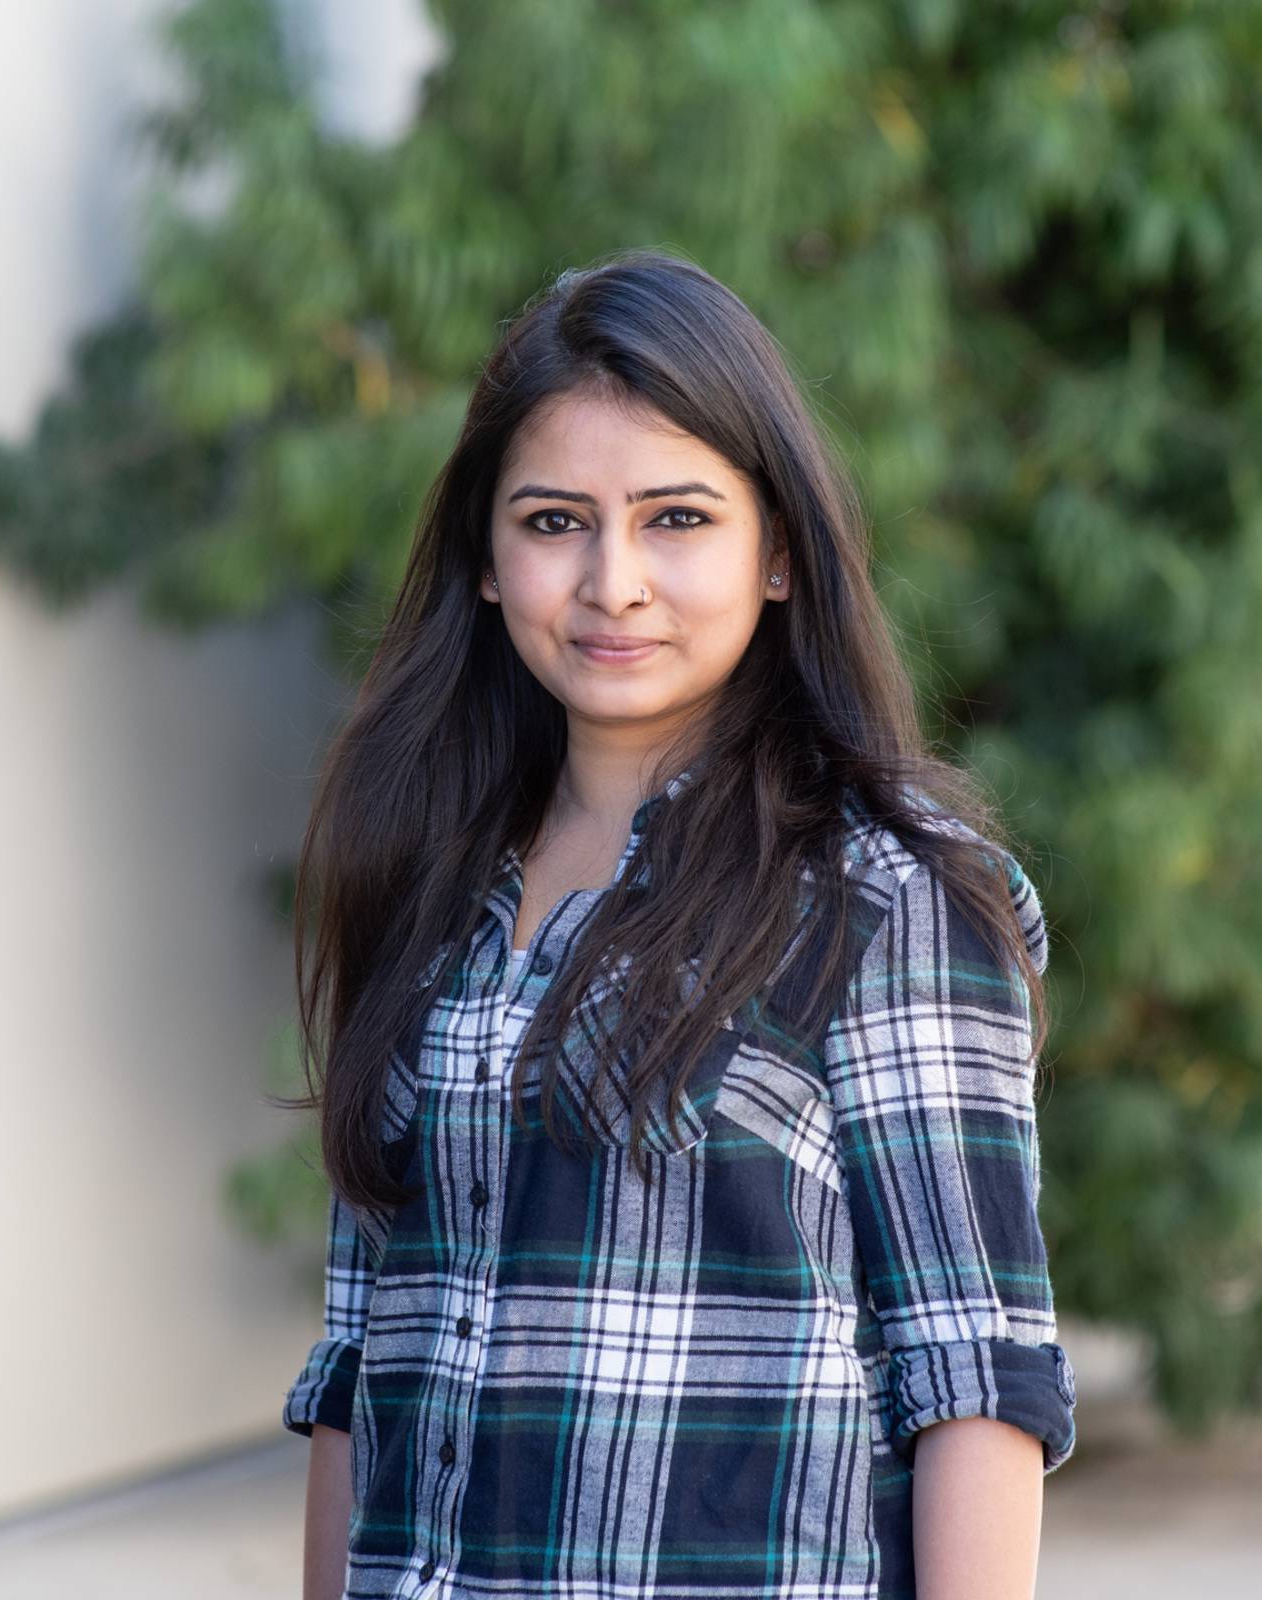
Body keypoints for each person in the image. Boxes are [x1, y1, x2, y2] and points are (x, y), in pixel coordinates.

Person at [279, 248, 1077, 1600]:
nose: (614, 582)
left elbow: (975, 1377)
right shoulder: (424, 880)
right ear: (486, 559)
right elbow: (360, 1366)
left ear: (777, 553)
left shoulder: (888, 898)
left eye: (678, 519)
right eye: (552, 522)